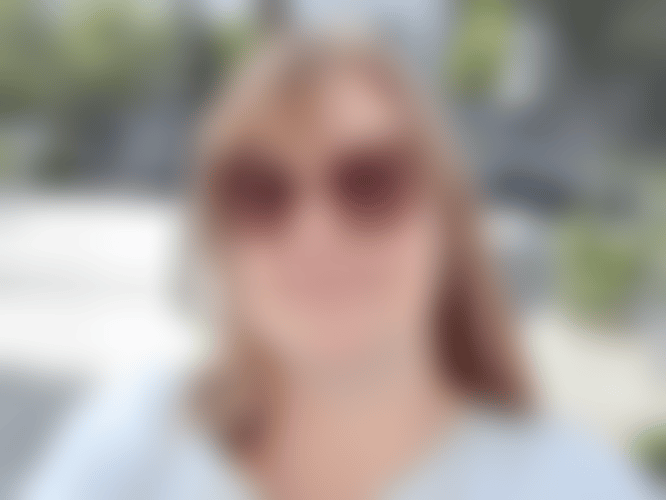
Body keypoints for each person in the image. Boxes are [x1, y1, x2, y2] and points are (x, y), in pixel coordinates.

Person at [23, 33, 649, 500]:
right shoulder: (138, 435)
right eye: (260, 192)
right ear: (222, 246)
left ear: (446, 222)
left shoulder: (574, 484)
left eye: (369, 182)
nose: (315, 232)